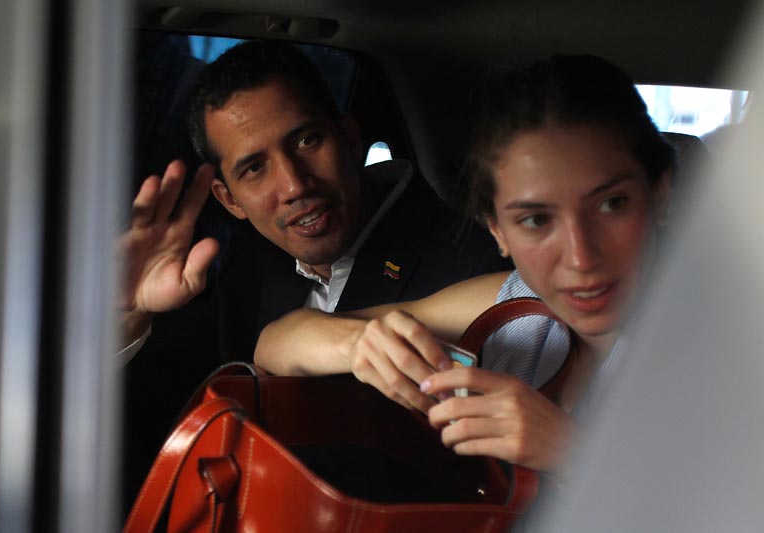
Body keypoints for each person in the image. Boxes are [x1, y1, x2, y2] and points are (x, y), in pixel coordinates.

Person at [120, 40, 506, 508]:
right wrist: (129, 314)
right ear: (229, 200)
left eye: (306, 141)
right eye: (255, 168)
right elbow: (162, 422)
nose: (294, 185)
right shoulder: (247, 267)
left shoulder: (474, 260)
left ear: (350, 138)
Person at [254, 54, 675, 476]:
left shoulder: (705, 339)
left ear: (660, 193)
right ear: (497, 232)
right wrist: (360, 342)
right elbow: (277, 342)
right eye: (535, 221)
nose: (580, 257)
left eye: (611, 205)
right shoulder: (517, 305)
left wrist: (573, 453)